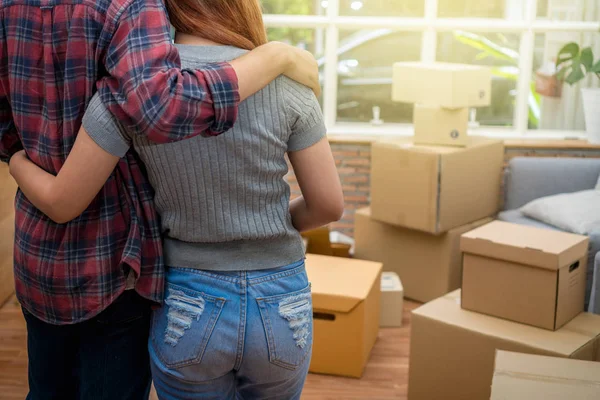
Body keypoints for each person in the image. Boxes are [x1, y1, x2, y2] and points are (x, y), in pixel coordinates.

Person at [9, 0, 344, 398]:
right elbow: (328, 205)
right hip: (281, 297)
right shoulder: (288, 81)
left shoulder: (126, 95)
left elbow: (65, 198)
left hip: (189, 297)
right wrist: (273, 223)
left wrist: (14, 157)